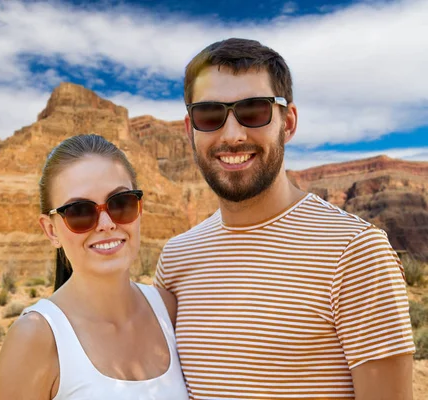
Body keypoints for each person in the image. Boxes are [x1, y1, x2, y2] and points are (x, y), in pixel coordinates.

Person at [154, 38, 416, 400]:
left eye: (254, 111)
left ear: (288, 122)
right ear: (189, 129)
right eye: (210, 114)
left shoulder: (355, 253)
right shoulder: (176, 260)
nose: (232, 134)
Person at [0, 134, 188, 400]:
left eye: (121, 203)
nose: (106, 223)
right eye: (80, 211)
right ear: (51, 231)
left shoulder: (171, 311)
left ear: (140, 209)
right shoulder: (36, 338)